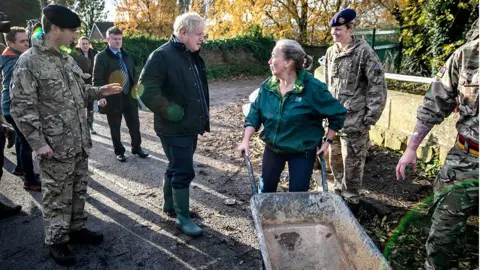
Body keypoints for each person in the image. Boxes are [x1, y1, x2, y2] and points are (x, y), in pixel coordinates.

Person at [10, 4, 122, 265]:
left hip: (77, 141)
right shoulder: (29, 62)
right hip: (53, 145)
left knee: (77, 189)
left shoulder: (65, 57)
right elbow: (21, 107)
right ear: (55, 29)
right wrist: (38, 143)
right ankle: (57, 241)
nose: (75, 36)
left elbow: (80, 93)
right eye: (71, 31)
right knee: (56, 194)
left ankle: (76, 228)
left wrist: (99, 91)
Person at [396, 20, 479, 270]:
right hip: (465, 161)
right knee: (442, 231)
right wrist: (412, 147)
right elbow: (434, 103)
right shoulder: (466, 55)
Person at [236, 39, 346, 194]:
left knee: (298, 194)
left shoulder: (313, 88)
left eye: (274, 56)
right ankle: (267, 218)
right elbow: (255, 114)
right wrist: (245, 141)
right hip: (273, 148)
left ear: (288, 62)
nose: (269, 61)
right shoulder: (268, 86)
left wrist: (327, 141)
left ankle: (295, 219)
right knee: (266, 190)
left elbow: (338, 113)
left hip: (302, 151)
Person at [138, 12, 209, 237]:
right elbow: (145, 89)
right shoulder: (161, 56)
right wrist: (170, 111)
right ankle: (183, 218)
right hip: (173, 128)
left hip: (189, 126)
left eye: (203, 35)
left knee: (175, 165)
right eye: (199, 34)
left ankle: (170, 206)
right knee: (183, 170)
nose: (202, 39)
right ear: (183, 33)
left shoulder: (192, 54)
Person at [323, 8, 387, 202]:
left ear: (351, 28)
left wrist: (370, 117)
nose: (335, 32)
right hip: (333, 119)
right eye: (333, 29)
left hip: (355, 119)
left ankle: (351, 200)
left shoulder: (364, 52)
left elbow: (378, 85)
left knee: (352, 162)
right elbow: (327, 84)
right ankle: (337, 194)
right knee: (334, 159)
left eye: (339, 29)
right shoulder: (330, 52)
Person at [93, 27, 148, 162]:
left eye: (120, 39)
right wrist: (101, 96)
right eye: (114, 39)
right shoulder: (101, 57)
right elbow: (97, 79)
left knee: (134, 124)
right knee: (115, 127)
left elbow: (133, 74)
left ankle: (136, 147)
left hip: (129, 96)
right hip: (112, 97)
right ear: (107, 39)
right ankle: (119, 151)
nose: (118, 42)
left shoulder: (127, 55)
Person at [1, 26, 41, 191]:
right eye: (22, 41)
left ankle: (21, 168)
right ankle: (30, 180)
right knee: (27, 142)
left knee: (19, 138)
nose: (27, 44)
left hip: (9, 106)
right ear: (10, 43)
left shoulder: (13, 55)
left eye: (27, 40)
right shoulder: (13, 61)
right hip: (14, 107)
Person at [72, 36, 97, 134]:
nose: (85, 45)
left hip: (91, 82)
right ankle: (81, 126)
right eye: (83, 44)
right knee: (80, 104)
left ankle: (90, 125)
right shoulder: (75, 54)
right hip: (79, 82)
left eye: (86, 43)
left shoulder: (94, 53)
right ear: (79, 44)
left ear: (89, 44)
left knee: (91, 105)